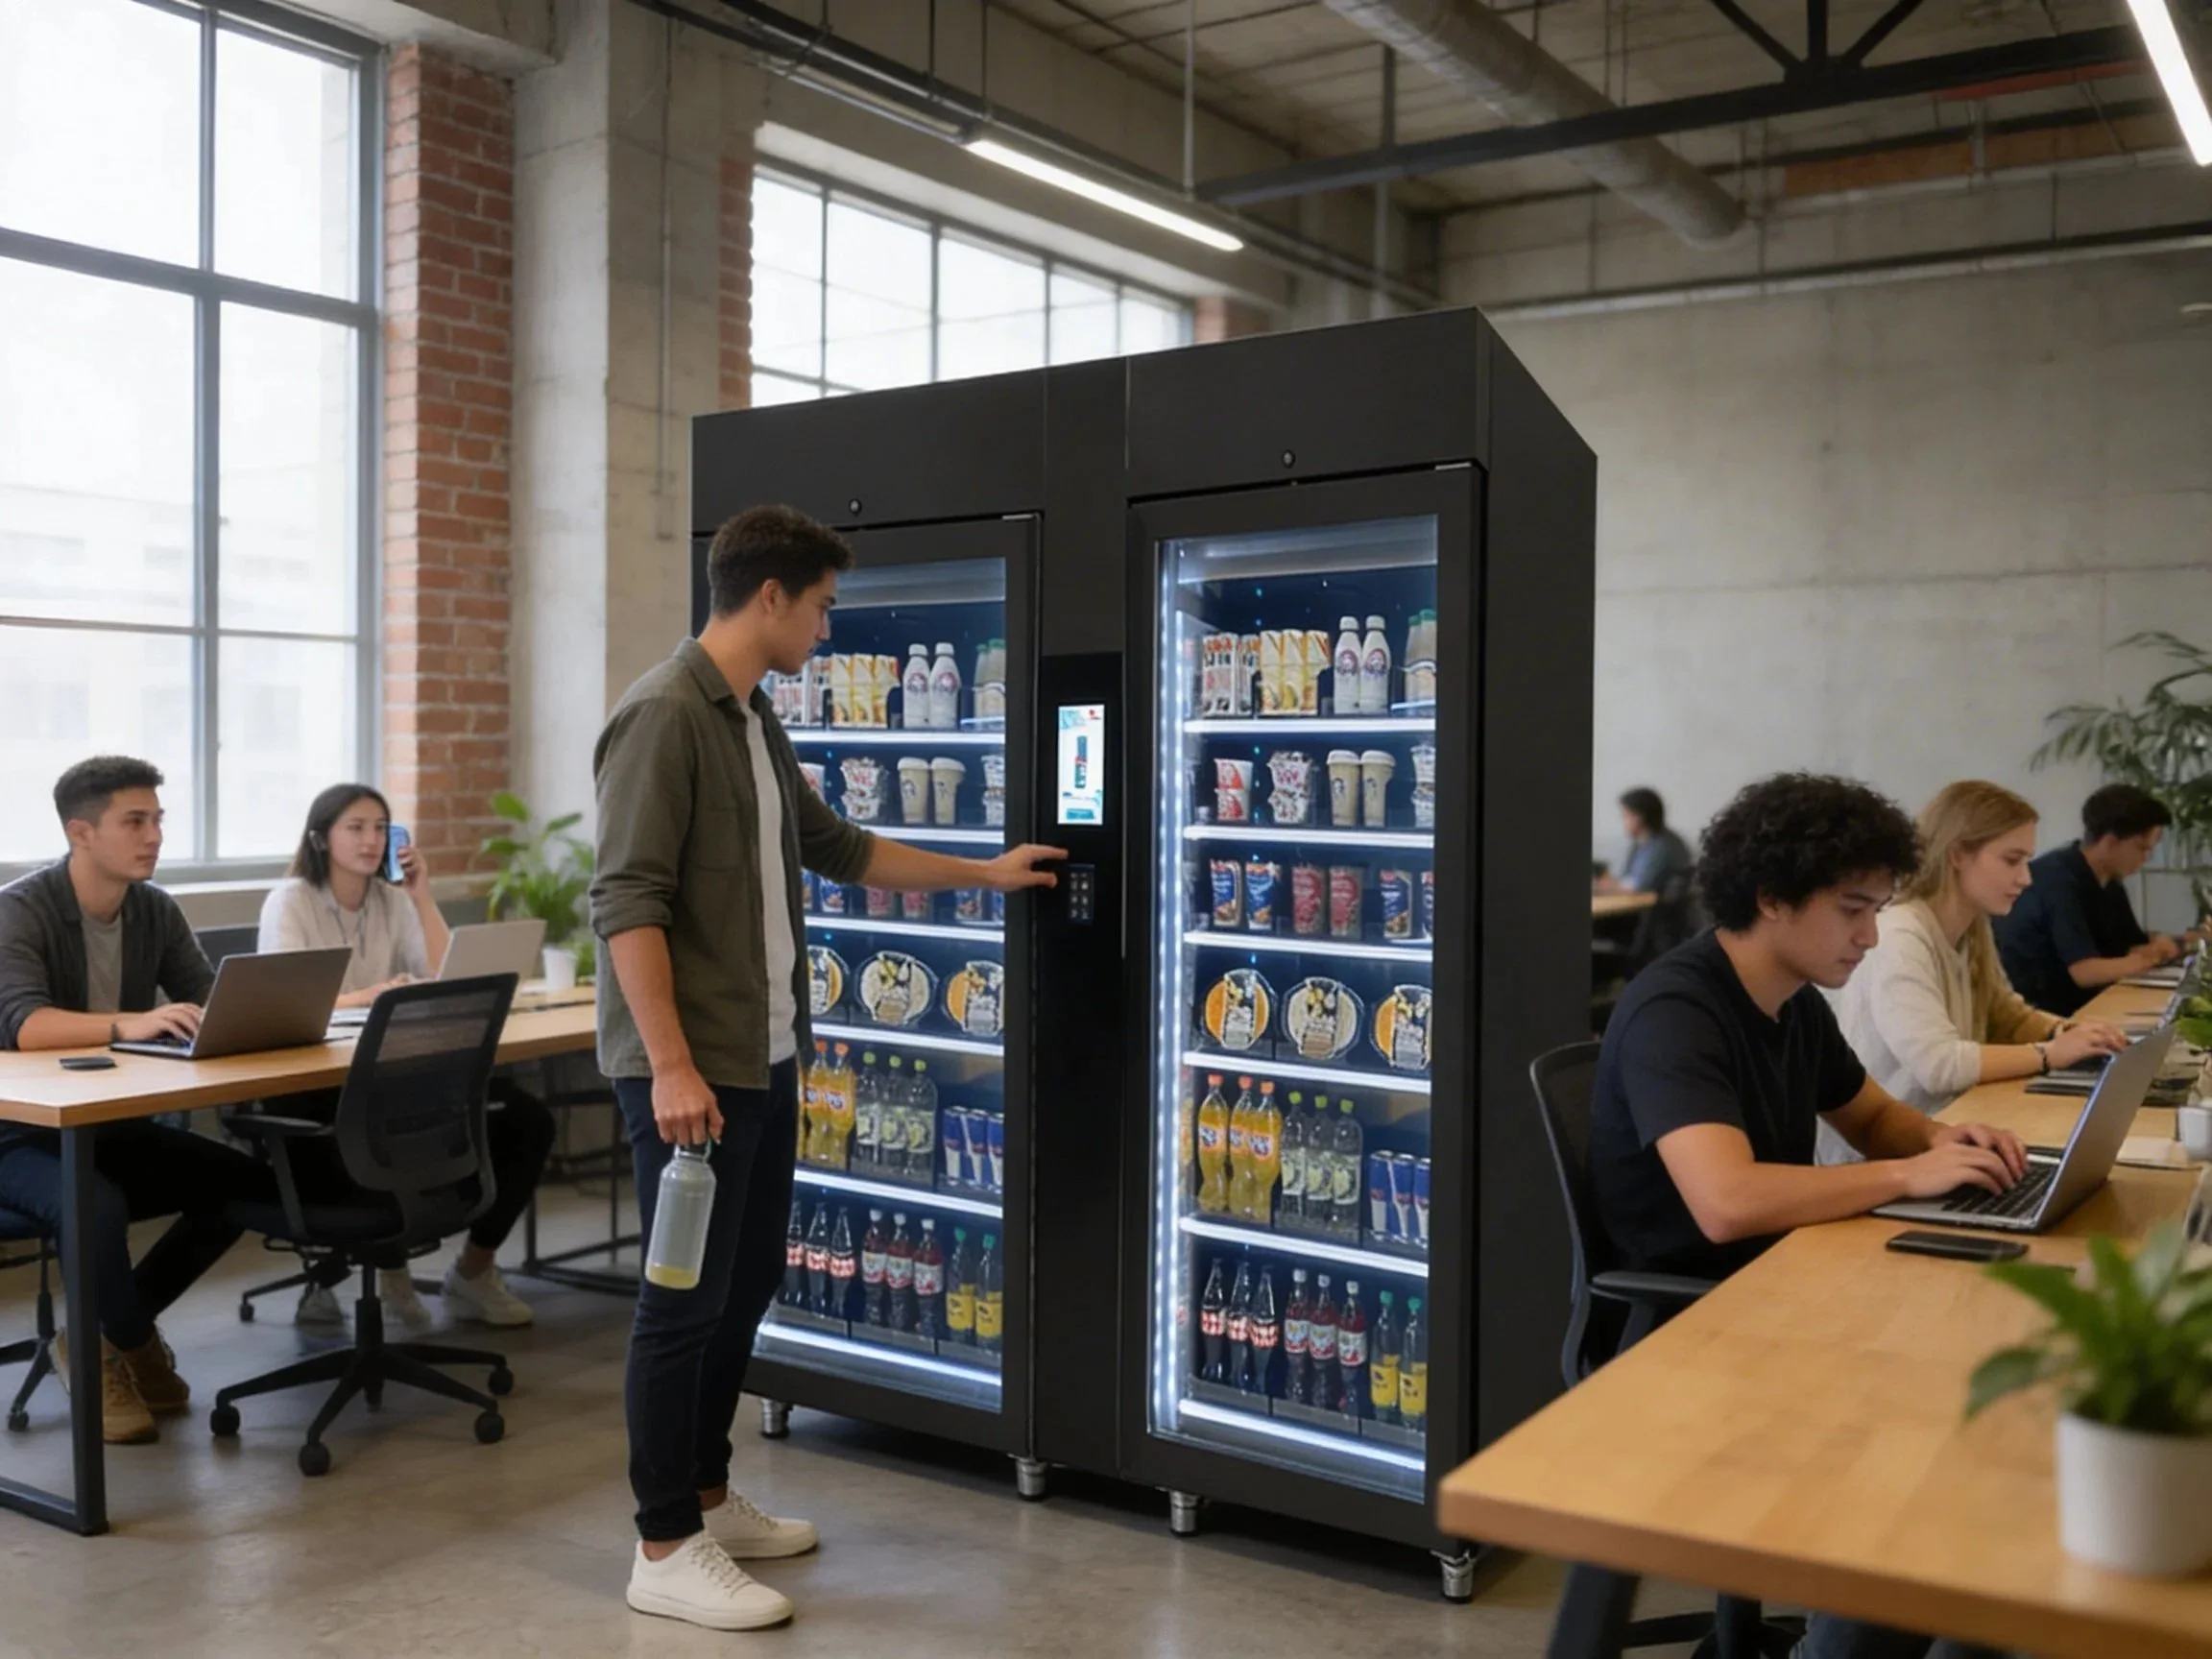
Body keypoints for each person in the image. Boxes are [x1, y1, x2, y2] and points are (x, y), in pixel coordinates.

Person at [592, 504, 1064, 1631]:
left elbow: (840, 849)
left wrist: (988, 875)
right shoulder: (663, 716)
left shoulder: (753, 721)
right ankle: (663, 1542)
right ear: (771, 598)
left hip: (761, 1058)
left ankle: (705, 1492)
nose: (828, 626)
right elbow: (625, 901)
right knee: (679, 1305)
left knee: (746, 1283)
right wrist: (668, 1067)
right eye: (823, 605)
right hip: (690, 1073)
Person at [1591, 773, 2029, 1659]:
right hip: (1693, 1319)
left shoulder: (1791, 1001)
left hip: (1783, 1285)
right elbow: (1729, 1203)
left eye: (1877, 910)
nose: (1871, 936)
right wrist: (1911, 1175)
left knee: (1985, 1398)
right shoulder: (1679, 1009)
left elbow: (1869, 1116)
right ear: (1773, 899)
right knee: (1934, 1439)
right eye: (1853, 910)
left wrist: (1952, 1141)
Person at [0, 757, 278, 1444]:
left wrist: (273, 1019)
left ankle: (101, 1336)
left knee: (243, 1183)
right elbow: (25, 1024)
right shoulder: (19, 909)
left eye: (157, 819)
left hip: (105, 1123)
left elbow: (209, 997)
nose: (154, 835)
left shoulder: (154, 908)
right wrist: (131, 1023)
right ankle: (118, 1344)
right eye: (136, 821)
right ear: (81, 832)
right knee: (94, 1203)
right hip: (17, 1133)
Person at [256, 782, 553, 1332]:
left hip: (398, 1068)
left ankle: (472, 1271)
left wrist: (421, 894)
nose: (371, 841)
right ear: (321, 838)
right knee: (393, 1135)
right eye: (355, 828)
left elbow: (447, 975)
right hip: (318, 1081)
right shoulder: (291, 901)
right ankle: (385, 1270)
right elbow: (288, 1003)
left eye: (379, 828)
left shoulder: (391, 901)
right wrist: (369, 997)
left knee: (526, 1121)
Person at [1819, 781, 2129, 1163]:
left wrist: (2070, 1034)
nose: (2026, 878)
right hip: (1886, 1160)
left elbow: (2007, 1015)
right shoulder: (1899, 935)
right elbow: (1940, 1066)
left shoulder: (1972, 927)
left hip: (1952, 1135)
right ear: (1956, 856)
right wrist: (2051, 1053)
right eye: (2011, 860)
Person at [1993, 783, 2205, 1017]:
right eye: (2142, 848)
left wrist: (2183, 942)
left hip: (2086, 1005)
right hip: (2041, 1013)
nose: (2146, 858)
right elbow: (2085, 971)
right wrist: (2149, 957)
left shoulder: (2109, 879)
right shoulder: (2057, 880)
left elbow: (2131, 945)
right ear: (2110, 842)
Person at [1595, 787, 1694, 896]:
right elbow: (1625, 877)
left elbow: (1640, 887)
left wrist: (1602, 888)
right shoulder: (1641, 843)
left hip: (1656, 909)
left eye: (1626, 816)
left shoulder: (1662, 846)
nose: (1623, 821)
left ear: (1639, 817)